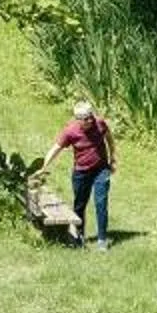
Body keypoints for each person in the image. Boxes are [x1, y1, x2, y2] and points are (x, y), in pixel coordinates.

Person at [36, 98, 116, 250]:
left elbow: (110, 140)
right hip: (81, 172)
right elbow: (55, 149)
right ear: (78, 120)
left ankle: (102, 240)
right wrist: (43, 166)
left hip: (101, 170)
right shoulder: (70, 132)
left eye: (91, 115)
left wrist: (113, 159)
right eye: (86, 118)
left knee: (101, 203)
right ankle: (79, 237)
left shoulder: (100, 123)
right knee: (80, 205)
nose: (90, 120)